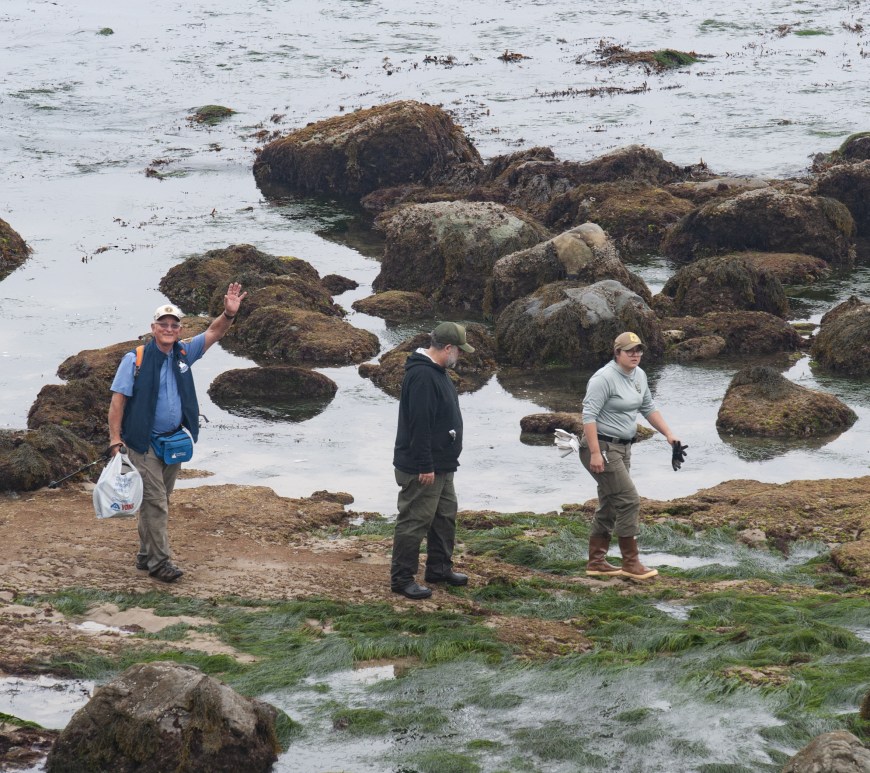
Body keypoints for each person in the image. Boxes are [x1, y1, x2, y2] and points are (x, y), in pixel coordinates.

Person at [107, 283, 246, 583]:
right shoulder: (136, 359)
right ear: (153, 327)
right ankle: (160, 563)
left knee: (158, 501)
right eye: (163, 324)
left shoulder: (184, 351)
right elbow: (118, 401)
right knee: (156, 502)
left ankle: (145, 555)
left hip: (172, 442)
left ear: (180, 329)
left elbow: (214, 333)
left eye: (174, 324)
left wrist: (228, 314)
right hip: (142, 445)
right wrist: (115, 440)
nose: (169, 329)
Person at [579, 331, 681, 581]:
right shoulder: (604, 378)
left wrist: (669, 434)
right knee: (629, 500)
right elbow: (588, 416)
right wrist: (594, 453)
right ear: (617, 353)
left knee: (611, 503)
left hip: (624, 448)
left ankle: (596, 562)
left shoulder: (639, 375)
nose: (635, 355)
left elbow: (647, 407)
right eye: (629, 351)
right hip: (601, 447)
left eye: (638, 350)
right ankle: (630, 563)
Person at [390, 322, 474, 600]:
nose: (459, 356)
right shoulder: (424, 376)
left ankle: (439, 568)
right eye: (459, 351)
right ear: (448, 348)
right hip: (423, 468)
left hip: (443, 465)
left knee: (444, 517)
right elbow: (419, 424)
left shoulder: (437, 372)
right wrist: (425, 465)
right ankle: (402, 579)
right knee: (415, 520)